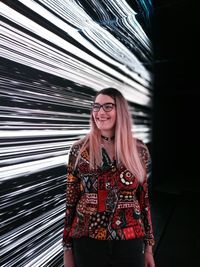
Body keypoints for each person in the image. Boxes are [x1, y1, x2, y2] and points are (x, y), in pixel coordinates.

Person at [62, 88, 155, 267]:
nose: (100, 112)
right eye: (96, 106)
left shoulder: (139, 150)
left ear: (120, 110)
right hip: (88, 241)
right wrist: (67, 249)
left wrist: (149, 248)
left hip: (130, 240)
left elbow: (143, 201)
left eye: (107, 106)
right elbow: (70, 202)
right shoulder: (80, 150)